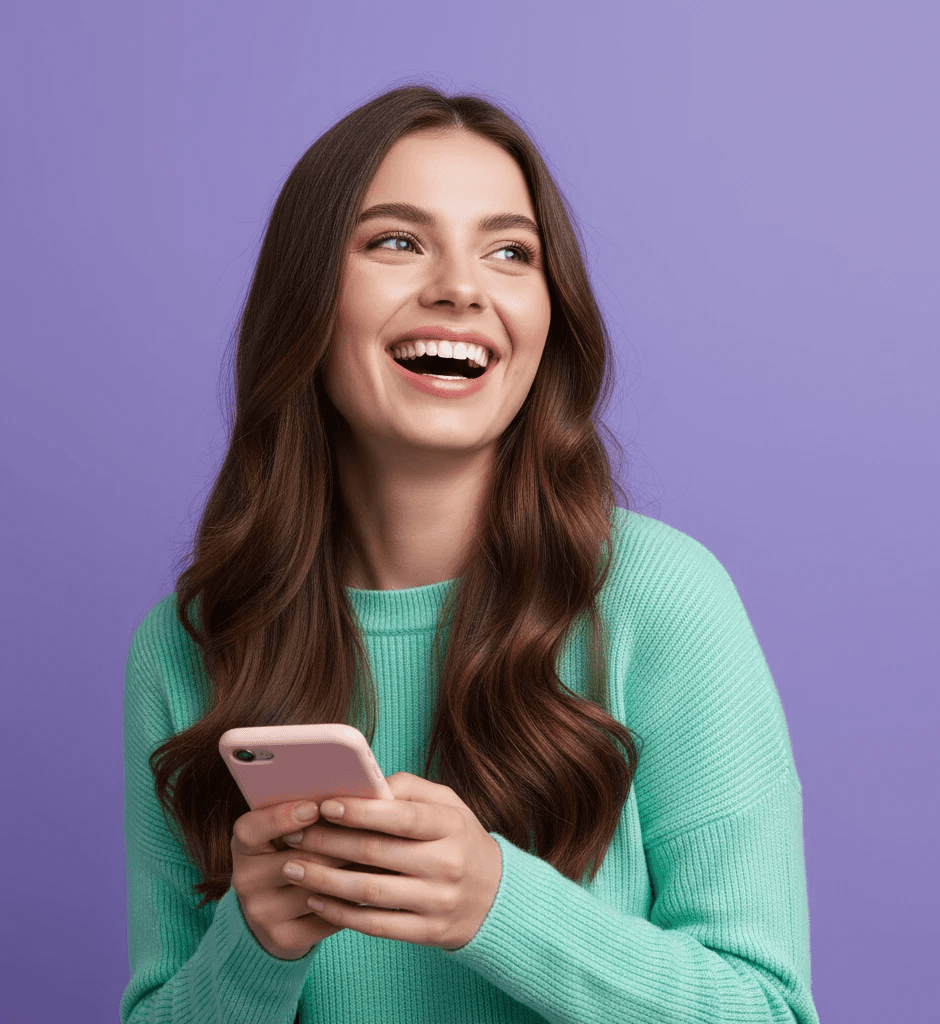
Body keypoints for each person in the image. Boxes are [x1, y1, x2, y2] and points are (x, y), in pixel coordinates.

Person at [120, 84, 820, 1024]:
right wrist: (254, 947)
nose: (461, 287)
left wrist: (498, 906)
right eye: (396, 241)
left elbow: (768, 1009)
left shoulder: (660, 599)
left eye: (510, 252)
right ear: (307, 299)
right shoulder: (188, 646)